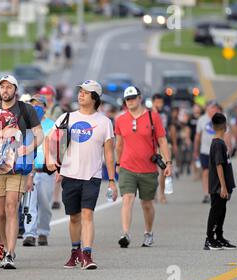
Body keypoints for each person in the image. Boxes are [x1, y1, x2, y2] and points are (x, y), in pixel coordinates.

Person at [46, 80, 117, 269]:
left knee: (87, 214)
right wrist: (49, 159)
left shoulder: (104, 122)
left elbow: (109, 153)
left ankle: (87, 254)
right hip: (69, 173)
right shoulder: (66, 118)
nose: (81, 95)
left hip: (92, 176)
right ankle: (75, 252)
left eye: (85, 92)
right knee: (74, 217)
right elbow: (49, 140)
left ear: (95, 97)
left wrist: (111, 180)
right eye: (80, 92)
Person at [0, 75, 44, 269]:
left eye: (9, 87)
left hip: (18, 167)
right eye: (2, 87)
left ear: (15, 89)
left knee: (12, 206)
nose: (5, 90)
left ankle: (10, 253)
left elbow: (39, 133)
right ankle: (5, 246)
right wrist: (0, 134)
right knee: (0, 212)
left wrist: (28, 149)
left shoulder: (25, 109)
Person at [115, 86, 172, 248]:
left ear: (140, 98)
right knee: (127, 198)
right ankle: (125, 233)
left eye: (133, 98)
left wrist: (168, 162)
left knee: (147, 204)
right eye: (128, 99)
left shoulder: (153, 117)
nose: (131, 101)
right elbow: (118, 145)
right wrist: (118, 163)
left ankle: (148, 232)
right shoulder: (120, 119)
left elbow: (162, 141)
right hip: (127, 167)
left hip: (148, 169)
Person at [23, 94, 56, 247]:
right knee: (29, 203)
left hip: (46, 171)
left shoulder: (52, 125)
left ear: (45, 107)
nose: (36, 107)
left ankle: (43, 232)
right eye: (33, 104)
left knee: (45, 205)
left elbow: (59, 147)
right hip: (30, 170)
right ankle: (29, 234)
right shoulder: (26, 125)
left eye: (39, 105)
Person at [204, 113, 236, 250]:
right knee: (216, 211)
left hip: (224, 185)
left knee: (222, 211)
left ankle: (219, 237)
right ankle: (209, 239)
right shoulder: (218, 144)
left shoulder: (220, 143)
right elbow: (219, 165)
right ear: (224, 125)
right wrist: (222, 186)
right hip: (218, 186)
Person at [194, 101, 221, 204]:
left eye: (215, 107)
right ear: (207, 109)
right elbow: (198, 136)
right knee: (205, 172)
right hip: (205, 150)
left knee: (218, 172)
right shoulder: (202, 120)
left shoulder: (220, 118)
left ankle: (216, 192)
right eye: (212, 107)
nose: (214, 109)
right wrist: (195, 150)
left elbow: (226, 134)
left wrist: (228, 147)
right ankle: (206, 194)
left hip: (218, 150)